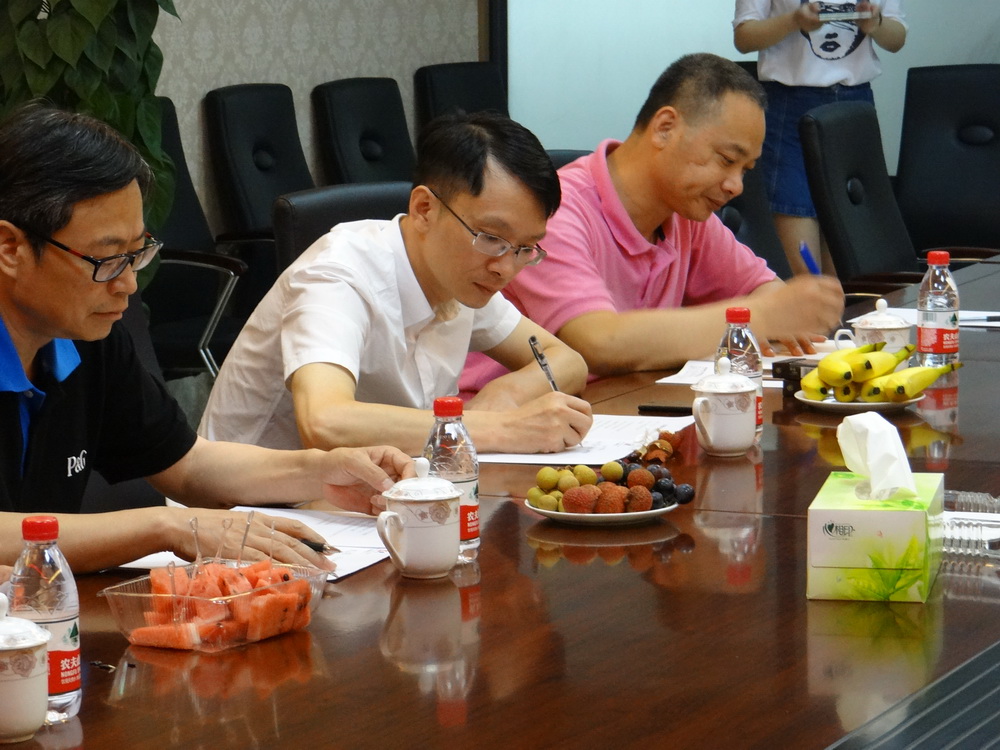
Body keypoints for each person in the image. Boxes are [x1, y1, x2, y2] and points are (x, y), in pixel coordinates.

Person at [0, 102, 415, 574]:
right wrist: (168, 527)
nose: (128, 284)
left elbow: (189, 464)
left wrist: (323, 471)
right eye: (107, 259)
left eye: (137, 253)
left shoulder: (83, 337)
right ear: (10, 247)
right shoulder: (77, 322)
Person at [199, 111, 593, 457]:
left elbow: (565, 360)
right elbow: (325, 421)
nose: (505, 268)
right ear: (424, 209)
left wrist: (504, 396)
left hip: (373, 491)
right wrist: (500, 428)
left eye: (525, 248)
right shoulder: (337, 274)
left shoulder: (465, 274)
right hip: (249, 505)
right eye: (491, 237)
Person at [460, 53, 844, 391]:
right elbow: (597, 342)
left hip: (621, 412)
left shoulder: (686, 213)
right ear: (665, 128)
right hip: (500, 419)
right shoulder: (556, 211)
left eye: (746, 169)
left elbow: (766, 292)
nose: (735, 186)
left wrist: (783, 310)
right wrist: (763, 318)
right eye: (727, 160)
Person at [733, 1, 907, 275]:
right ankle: (810, 295)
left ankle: (838, 302)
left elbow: (897, 39)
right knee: (805, 263)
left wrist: (876, 25)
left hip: (854, 103)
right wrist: (794, 21)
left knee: (848, 251)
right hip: (790, 103)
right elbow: (744, 37)